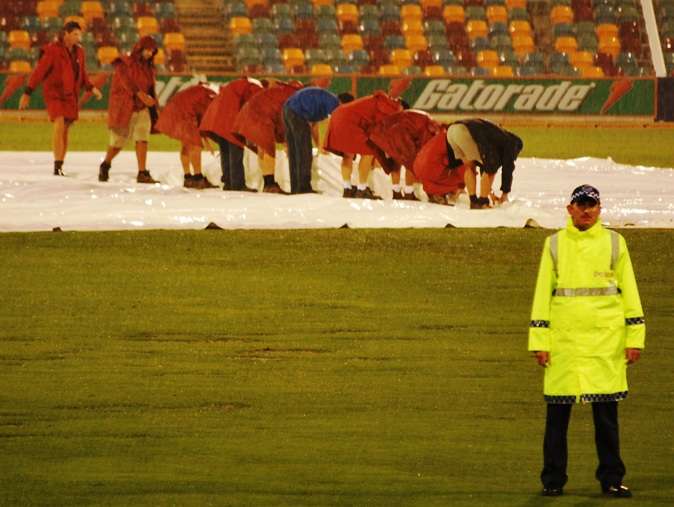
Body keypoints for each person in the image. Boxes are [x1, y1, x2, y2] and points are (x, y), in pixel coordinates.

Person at [528, 184, 645, 498]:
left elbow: (630, 292)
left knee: (606, 420)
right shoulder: (553, 245)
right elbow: (542, 294)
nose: (585, 210)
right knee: (557, 419)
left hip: (604, 345)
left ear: (599, 208)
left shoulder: (615, 244)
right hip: (564, 345)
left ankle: (611, 478)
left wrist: (635, 337)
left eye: (590, 205)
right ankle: (552, 480)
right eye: (580, 205)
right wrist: (540, 341)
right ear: (570, 209)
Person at [18, 21, 102, 176]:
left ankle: (60, 165)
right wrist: (27, 92)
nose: (79, 37)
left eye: (79, 34)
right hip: (55, 94)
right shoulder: (53, 50)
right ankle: (56, 166)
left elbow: (82, 74)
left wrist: (91, 88)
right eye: (75, 34)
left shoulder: (80, 52)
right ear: (66, 34)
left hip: (71, 95)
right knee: (59, 122)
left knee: (65, 130)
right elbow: (39, 72)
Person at [324, 79, 409, 199]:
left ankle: (347, 188)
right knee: (368, 152)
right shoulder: (387, 106)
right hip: (348, 121)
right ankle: (362, 189)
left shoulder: (378, 100)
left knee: (347, 154)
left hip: (338, 116)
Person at [98, 36, 159, 184]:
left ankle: (142, 172)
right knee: (118, 143)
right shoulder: (124, 63)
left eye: (152, 51)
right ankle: (106, 163)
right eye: (147, 50)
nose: (150, 54)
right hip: (125, 107)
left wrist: (152, 103)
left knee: (142, 138)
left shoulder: (149, 67)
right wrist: (141, 95)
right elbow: (126, 82)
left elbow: (150, 87)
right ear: (140, 49)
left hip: (142, 107)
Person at [233, 80, 303, 193]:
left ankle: (268, 182)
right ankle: (270, 184)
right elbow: (285, 120)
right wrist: (287, 142)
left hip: (248, 112)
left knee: (263, 148)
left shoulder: (281, 91)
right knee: (268, 148)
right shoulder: (292, 97)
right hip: (260, 115)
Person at [199, 77, 263, 192]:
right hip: (230, 119)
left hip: (217, 119)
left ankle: (228, 181)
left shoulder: (243, 83)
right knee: (235, 149)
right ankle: (237, 184)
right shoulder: (256, 88)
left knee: (225, 149)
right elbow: (252, 108)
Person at [445, 119, 523, 209]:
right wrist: (504, 195)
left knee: (470, 166)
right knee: (491, 168)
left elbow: (484, 166)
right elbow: (507, 169)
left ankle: (474, 201)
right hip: (465, 132)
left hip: (451, 132)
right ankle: (483, 202)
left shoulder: (497, 135)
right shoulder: (511, 143)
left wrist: (491, 193)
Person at [366, 108, 440, 201]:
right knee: (411, 162)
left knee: (395, 162)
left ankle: (396, 191)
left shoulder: (428, 122)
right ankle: (408, 192)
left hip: (386, 132)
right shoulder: (432, 131)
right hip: (398, 134)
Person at [282, 86, 344, 194]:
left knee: (295, 152)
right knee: (304, 152)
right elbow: (333, 126)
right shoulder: (334, 103)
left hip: (287, 109)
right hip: (297, 112)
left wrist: (320, 146)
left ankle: (296, 188)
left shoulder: (321, 102)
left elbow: (314, 126)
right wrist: (328, 146)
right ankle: (303, 188)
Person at [155, 83, 217, 189]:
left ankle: (188, 177)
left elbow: (200, 119)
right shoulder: (211, 97)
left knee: (187, 145)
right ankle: (198, 178)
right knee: (195, 145)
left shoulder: (206, 91)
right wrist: (206, 141)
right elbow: (203, 120)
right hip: (185, 113)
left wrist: (206, 141)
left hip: (175, 110)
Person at [412, 126, 466, 205]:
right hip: (429, 172)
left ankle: (444, 191)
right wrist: (462, 185)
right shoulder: (453, 141)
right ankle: (449, 192)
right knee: (465, 172)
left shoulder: (441, 136)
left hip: (419, 169)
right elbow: (460, 166)